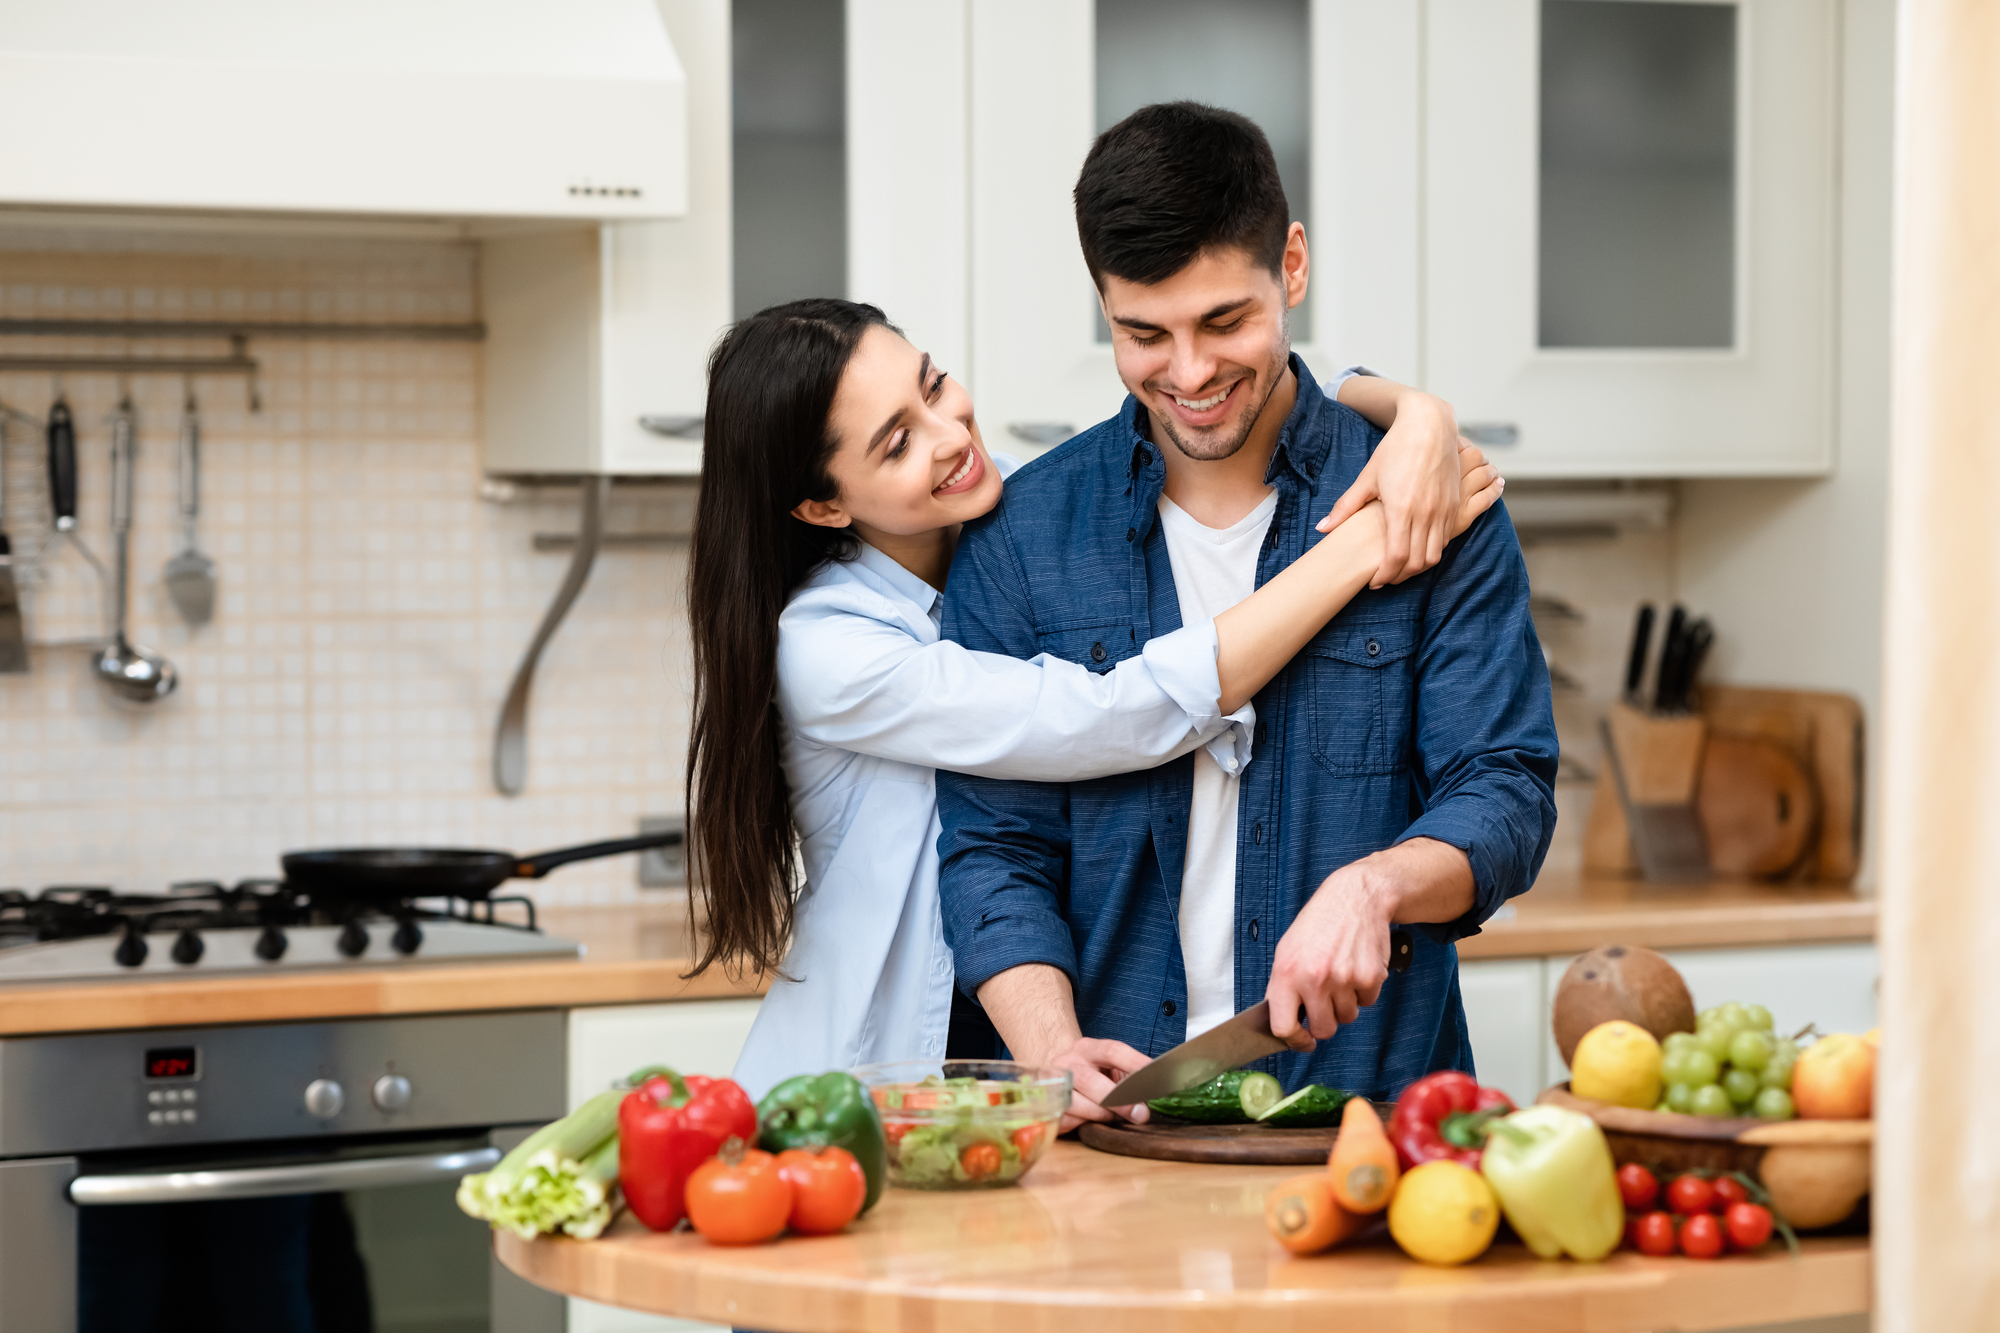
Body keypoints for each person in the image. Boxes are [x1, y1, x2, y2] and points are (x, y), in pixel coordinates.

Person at [684, 297, 1503, 1098]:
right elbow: (1108, 716)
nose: (950, 437)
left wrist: (1414, 411)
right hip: (868, 1079)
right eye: (897, 443)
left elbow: (1250, 394)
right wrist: (1363, 543)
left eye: (932, 387)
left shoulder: (1014, 512)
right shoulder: (829, 647)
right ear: (824, 504)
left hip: (1008, 1052)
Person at [935, 102, 1559, 1129]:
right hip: (1111, 1137)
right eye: (1143, 333)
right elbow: (992, 846)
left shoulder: (1425, 499)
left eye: (1223, 321)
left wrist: (1375, 886)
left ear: (1292, 267)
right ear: (1103, 305)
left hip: (1365, 1129)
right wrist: (1047, 1049)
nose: (1186, 374)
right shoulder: (1022, 536)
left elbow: (1503, 792)